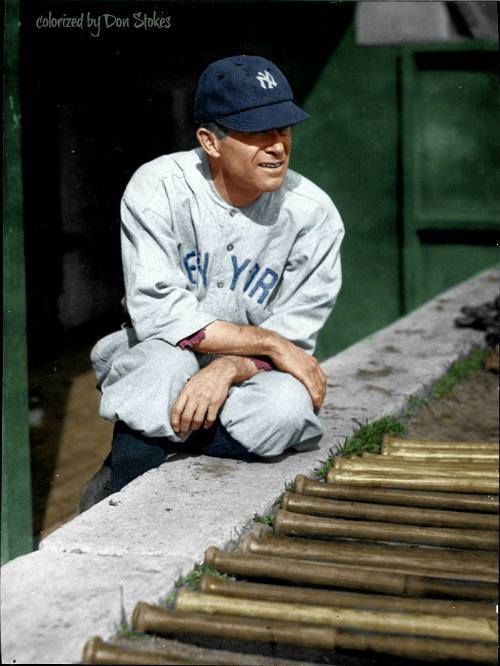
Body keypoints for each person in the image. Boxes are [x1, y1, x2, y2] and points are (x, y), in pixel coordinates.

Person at [80, 54, 344, 509]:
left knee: (285, 410)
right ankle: (119, 496)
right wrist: (269, 342)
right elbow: (161, 314)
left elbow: (295, 338)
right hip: (162, 349)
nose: (278, 146)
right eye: (257, 132)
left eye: (283, 128)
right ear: (210, 141)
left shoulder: (313, 214)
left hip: (252, 371)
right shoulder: (160, 185)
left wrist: (231, 366)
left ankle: (157, 451)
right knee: (164, 371)